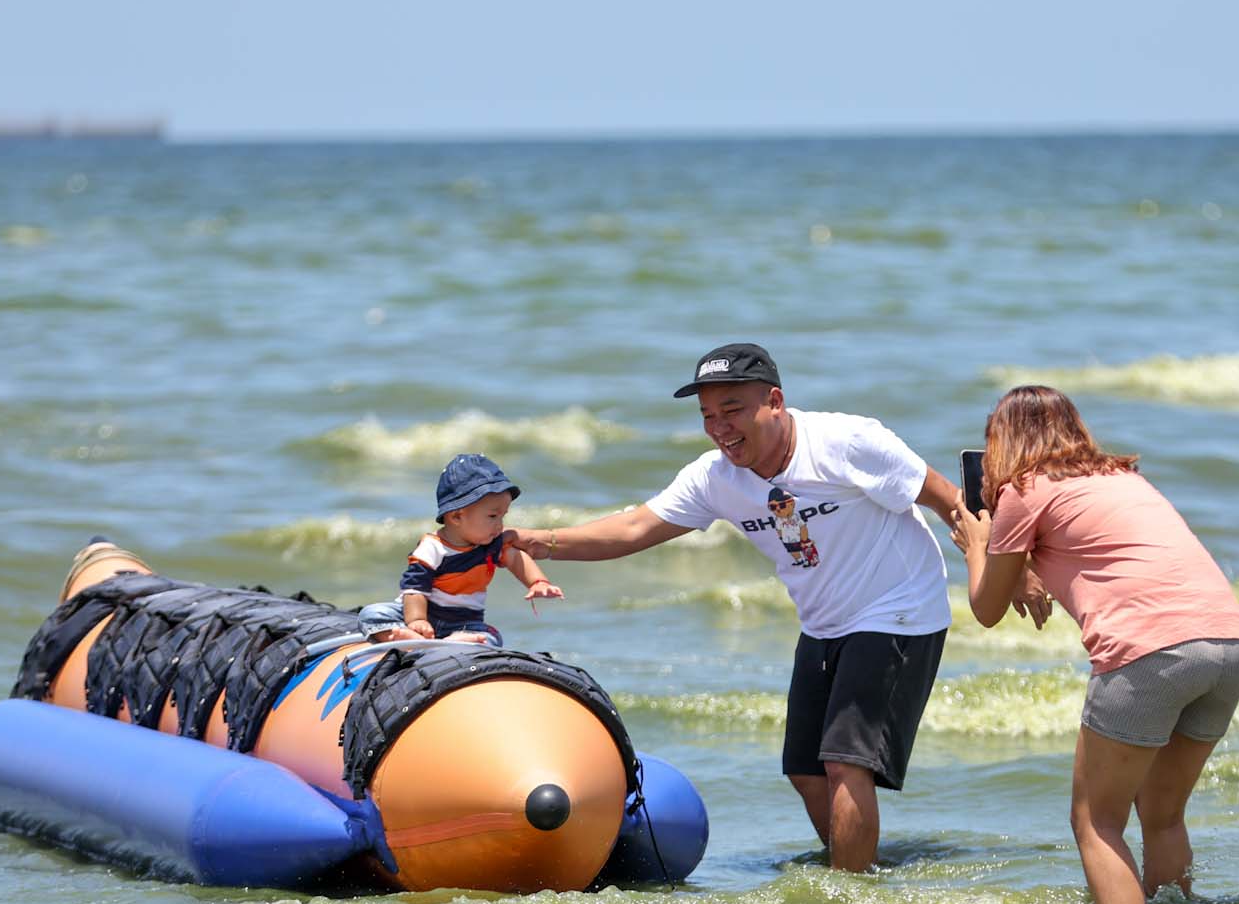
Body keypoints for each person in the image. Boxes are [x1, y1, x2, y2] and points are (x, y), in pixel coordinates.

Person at [506, 342, 1017, 871]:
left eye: (733, 410)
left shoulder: (848, 442)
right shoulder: (715, 479)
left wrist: (1011, 573)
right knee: (805, 770)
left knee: (845, 763)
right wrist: (546, 541)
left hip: (899, 608)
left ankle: (850, 894)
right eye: (708, 416)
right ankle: (858, 866)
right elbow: (635, 528)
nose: (720, 428)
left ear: (774, 401)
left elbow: (950, 500)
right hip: (823, 622)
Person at [948, 385, 1239, 904]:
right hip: (1228, 645)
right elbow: (1092, 547)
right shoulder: (1121, 478)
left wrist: (975, 543)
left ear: (1004, 443)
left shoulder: (1022, 489)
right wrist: (1024, 564)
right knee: (1162, 815)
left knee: (1095, 823)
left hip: (1148, 654)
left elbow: (987, 609)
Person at [359, 453, 561, 647]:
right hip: (422, 613)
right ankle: (416, 639)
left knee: (491, 638)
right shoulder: (433, 547)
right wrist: (417, 620)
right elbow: (414, 589)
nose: (500, 525)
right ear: (456, 517)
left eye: (502, 516)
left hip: (465, 622)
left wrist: (538, 582)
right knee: (371, 615)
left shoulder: (491, 545)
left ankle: (442, 644)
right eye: (492, 516)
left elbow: (516, 558)